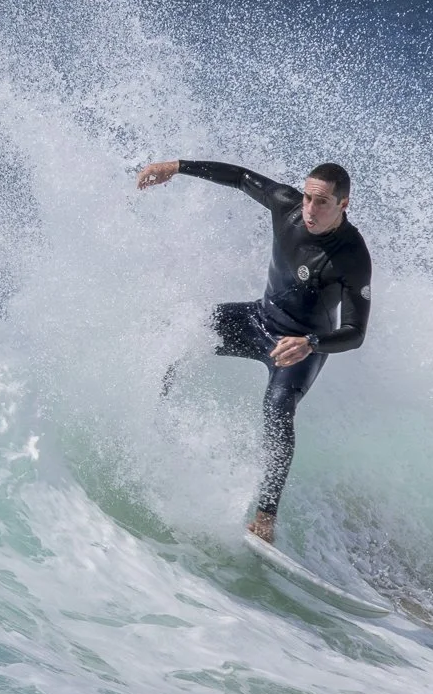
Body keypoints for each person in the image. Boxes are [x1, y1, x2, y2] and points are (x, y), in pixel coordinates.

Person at [137, 158, 372, 544]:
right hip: (258, 319)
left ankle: (265, 517)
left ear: (343, 204)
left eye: (322, 203)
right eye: (308, 198)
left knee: (278, 411)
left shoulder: (352, 256)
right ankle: (151, 421)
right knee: (179, 333)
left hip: (298, 347)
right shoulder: (287, 206)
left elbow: (355, 332)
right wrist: (177, 167)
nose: (310, 210)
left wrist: (310, 343)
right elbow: (240, 177)